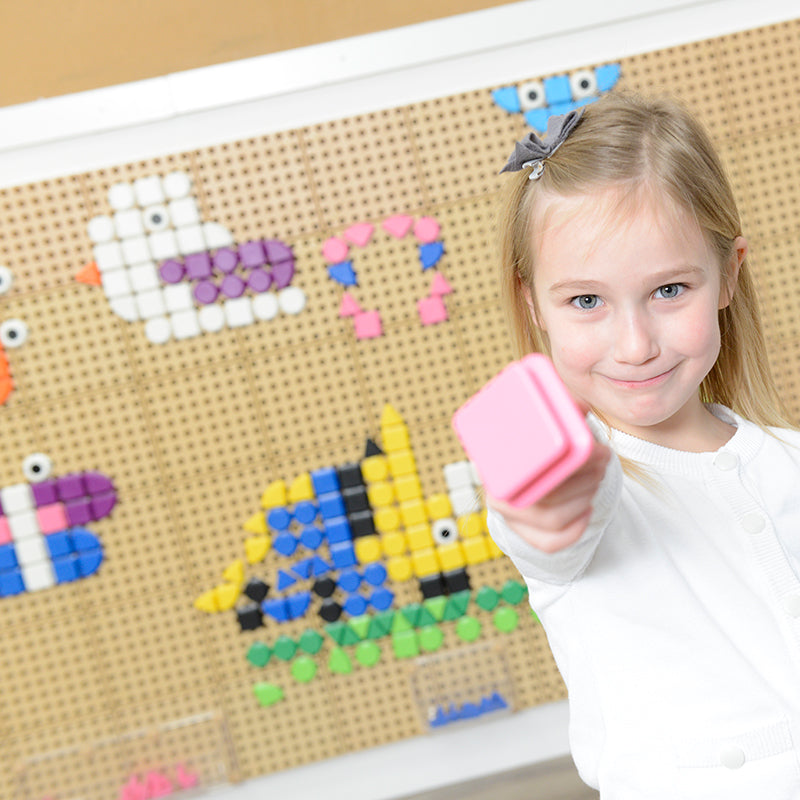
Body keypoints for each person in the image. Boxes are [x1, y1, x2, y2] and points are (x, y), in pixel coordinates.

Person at [486, 92, 800, 799]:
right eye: (586, 301)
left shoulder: (787, 461)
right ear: (533, 302)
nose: (634, 345)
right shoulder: (584, 485)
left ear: (727, 274)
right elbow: (546, 523)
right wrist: (545, 495)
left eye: (668, 289)